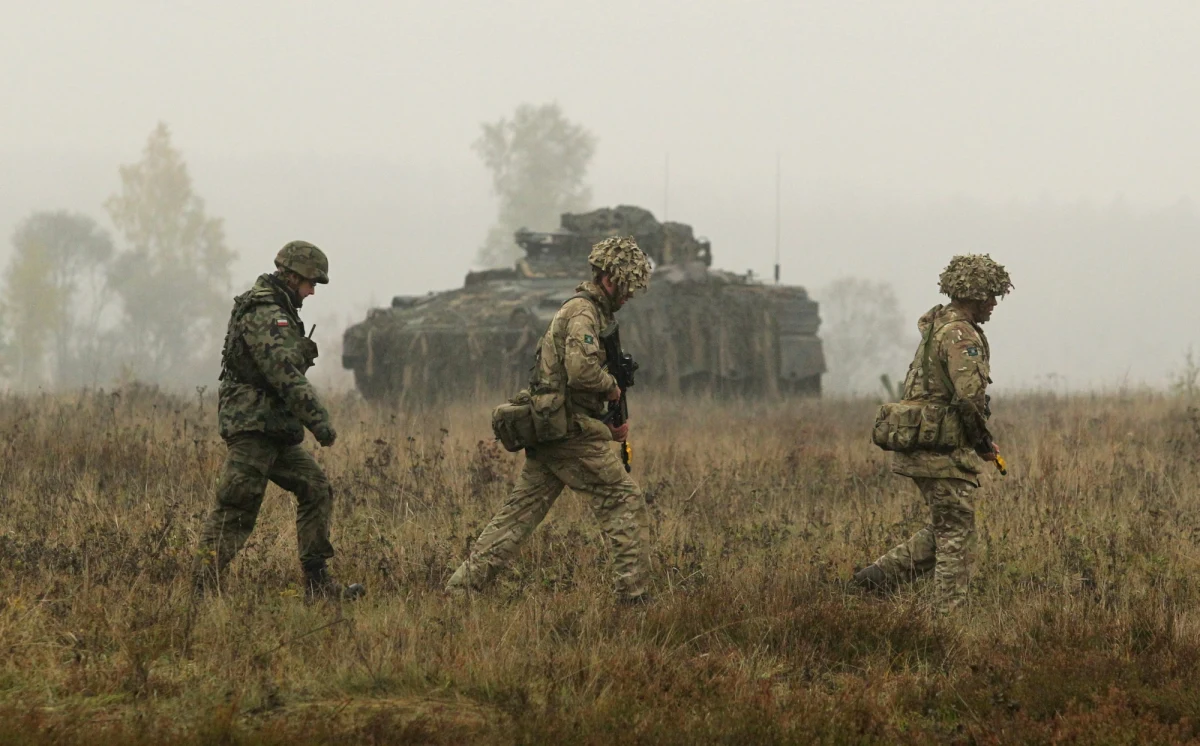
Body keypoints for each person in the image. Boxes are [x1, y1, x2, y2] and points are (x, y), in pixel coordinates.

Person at [446, 236, 653, 603]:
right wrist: (611, 390)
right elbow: (580, 371)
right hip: (568, 432)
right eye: (627, 287)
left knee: (520, 513)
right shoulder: (584, 313)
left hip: (553, 428)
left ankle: (463, 588)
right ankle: (634, 599)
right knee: (624, 500)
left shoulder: (586, 312)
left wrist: (608, 423)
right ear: (610, 280)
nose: (629, 296)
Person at [194, 240, 363, 601]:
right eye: (310, 283)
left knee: (315, 488)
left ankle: (318, 586)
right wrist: (319, 422)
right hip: (254, 427)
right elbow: (284, 373)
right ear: (291, 276)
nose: (312, 290)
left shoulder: (279, 308)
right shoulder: (267, 313)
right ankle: (200, 594)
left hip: (273, 428)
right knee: (237, 506)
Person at [852, 254, 1013, 612]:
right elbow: (969, 397)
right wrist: (982, 441)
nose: (993, 304)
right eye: (990, 296)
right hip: (940, 451)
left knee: (946, 525)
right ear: (974, 293)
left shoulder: (937, 327)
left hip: (925, 445)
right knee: (957, 532)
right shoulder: (960, 333)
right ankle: (948, 622)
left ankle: (874, 580)